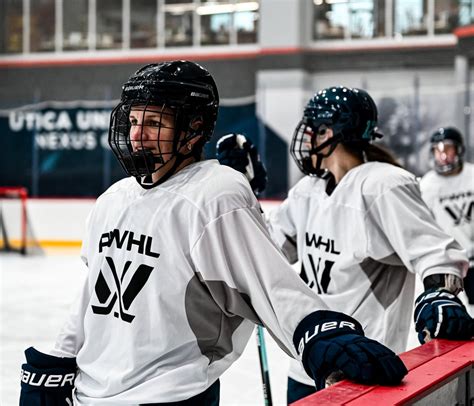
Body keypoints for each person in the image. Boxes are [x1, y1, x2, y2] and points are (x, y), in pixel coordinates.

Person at [19, 63, 408, 406]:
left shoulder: (214, 192)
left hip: (169, 396)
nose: (137, 135)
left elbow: (268, 283)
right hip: (89, 394)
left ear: (193, 130)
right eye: (134, 121)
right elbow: (93, 289)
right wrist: (60, 356)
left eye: (153, 124)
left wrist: (318, 333)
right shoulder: (113, 198)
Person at [217, 86, 473, 403]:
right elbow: (264, 253)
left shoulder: (380, 185)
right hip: (309, 361)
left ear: (333, 132)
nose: (307, 139)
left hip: (365, 368)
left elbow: (435, 251)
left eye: (313, 129)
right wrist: (243, 195)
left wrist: (439, 291)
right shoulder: (306, 192)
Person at [419, 127, 473, 309]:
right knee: (451, 313)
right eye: (438, 150)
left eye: (448, 149)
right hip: (450, 261)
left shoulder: (471, 175)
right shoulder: (427, 185)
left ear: (458, 150)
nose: (443, 156)